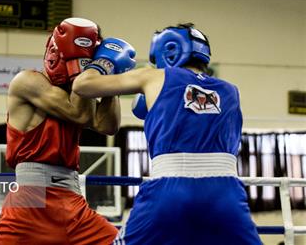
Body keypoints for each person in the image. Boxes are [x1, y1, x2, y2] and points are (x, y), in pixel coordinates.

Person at [72, 23, 262, 244]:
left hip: (169, 190)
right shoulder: (231, 90)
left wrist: (105, 61)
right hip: (225, 194)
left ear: (168, 51)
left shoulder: (153, 77)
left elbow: (83, 85)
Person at [0, 17, 136, 245]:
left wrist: (109, 75)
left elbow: (107, 126)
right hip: (31, 199)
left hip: (71, 198)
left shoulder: (77, 97)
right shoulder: (27, 81)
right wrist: (85, 71)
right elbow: (81, 115)